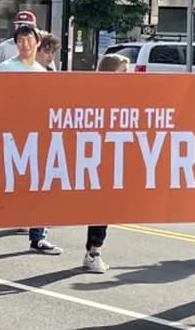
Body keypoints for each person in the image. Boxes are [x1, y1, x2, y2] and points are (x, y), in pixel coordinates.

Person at [0, 24, 64, 255]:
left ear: (37, 42)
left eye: (28, 40)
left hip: (35, 134)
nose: (24, 45)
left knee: (40, 183)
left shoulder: (42, 71)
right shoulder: (6, 68)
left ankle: (38, 235)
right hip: (10, 133)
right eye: (20, 41)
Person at [80, 53, 130, 275]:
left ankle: (94, 250)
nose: (128, 77)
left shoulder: (127, 96)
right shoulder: (95, 95)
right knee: (100, 206)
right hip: (95, 159)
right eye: (123, 73)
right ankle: (93, 252)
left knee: (104, 207)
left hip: (113, 157)